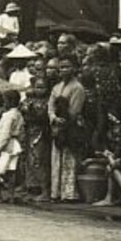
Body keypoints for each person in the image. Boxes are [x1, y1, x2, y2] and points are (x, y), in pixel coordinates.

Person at [46, 54, 88, 202]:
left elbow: (75, 111)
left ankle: (69, 193)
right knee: (56, 159)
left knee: (69, 159)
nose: (63, 70)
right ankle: (55, 192)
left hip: (71, 126)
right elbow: (50, 105)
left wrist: (64, 120)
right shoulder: (56, 87)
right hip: (57, 125)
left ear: (74, 68)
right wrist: (53, 118)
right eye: (61, 67)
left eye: (67, 67)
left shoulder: (78, 88)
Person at [0, 90, 25, 203]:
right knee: (11, 171)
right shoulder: (18, 114)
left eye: (5, 101)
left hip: (6, 145)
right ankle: (11, 196)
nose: (4, 103)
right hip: (15, 144)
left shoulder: (9, 116)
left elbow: (5, 133)